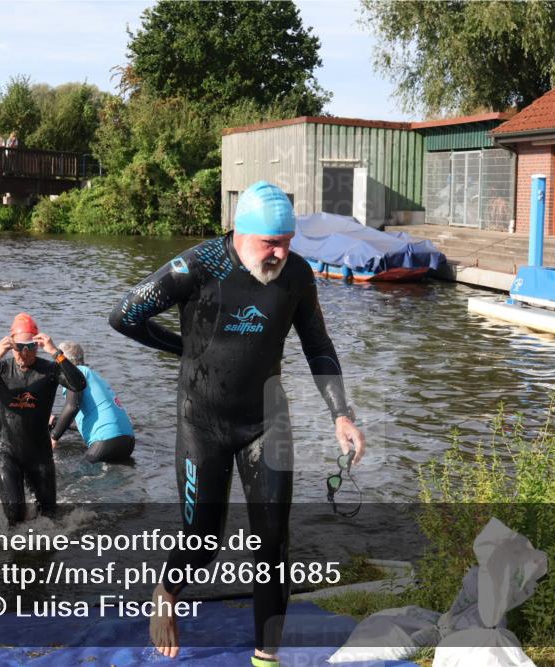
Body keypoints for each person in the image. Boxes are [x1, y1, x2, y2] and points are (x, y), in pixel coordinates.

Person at [108, 180, 366, 663]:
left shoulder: (298, 277)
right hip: (202, 422)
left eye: (287, 243)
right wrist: (181, 348)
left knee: (273, 545)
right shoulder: (196, 267)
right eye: (270, 243)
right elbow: (124, 315)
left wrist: (341, 415)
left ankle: (265, 657)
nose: (279, 253)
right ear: (240, 233)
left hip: (266, 422)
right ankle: (166, 592)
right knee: (203, 543)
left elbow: (318, 346)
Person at [0, 313, 86, 525]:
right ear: (11, 345)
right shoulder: (1, 369)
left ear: (37, 345)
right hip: (7, 453)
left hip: (40, 455)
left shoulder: (50, 369)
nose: (25, 352)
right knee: (14, 514)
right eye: (19, 346)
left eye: (30, 346)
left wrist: (56, 353)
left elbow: (79, 384)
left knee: (49, 516)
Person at [49, 341, 135, 464]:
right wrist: (55, 421)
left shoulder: (76, 374)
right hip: (127, 441)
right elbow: (89, 419)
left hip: (107, 439)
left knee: (79, 478)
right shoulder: (93, 375)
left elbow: (72, 407)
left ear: (63, 361)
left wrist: (53, 437)